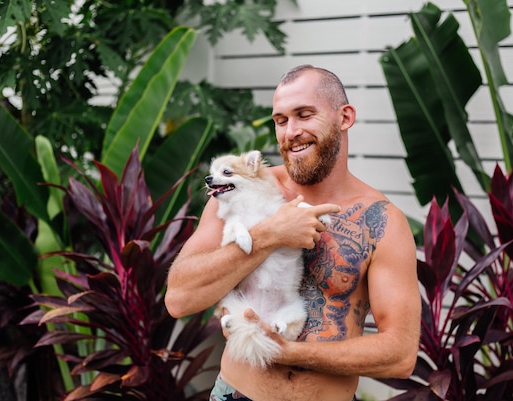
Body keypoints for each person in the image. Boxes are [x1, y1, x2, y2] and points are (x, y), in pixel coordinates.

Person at [165, 65, 421, 401]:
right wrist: (269, 235)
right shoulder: (236, 193)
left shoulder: (381, 221)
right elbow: (179, 299)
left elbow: (400, 355)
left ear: (344, 118)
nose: (291, 132)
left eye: (304, 115)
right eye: (281, 120)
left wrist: (286, 352)